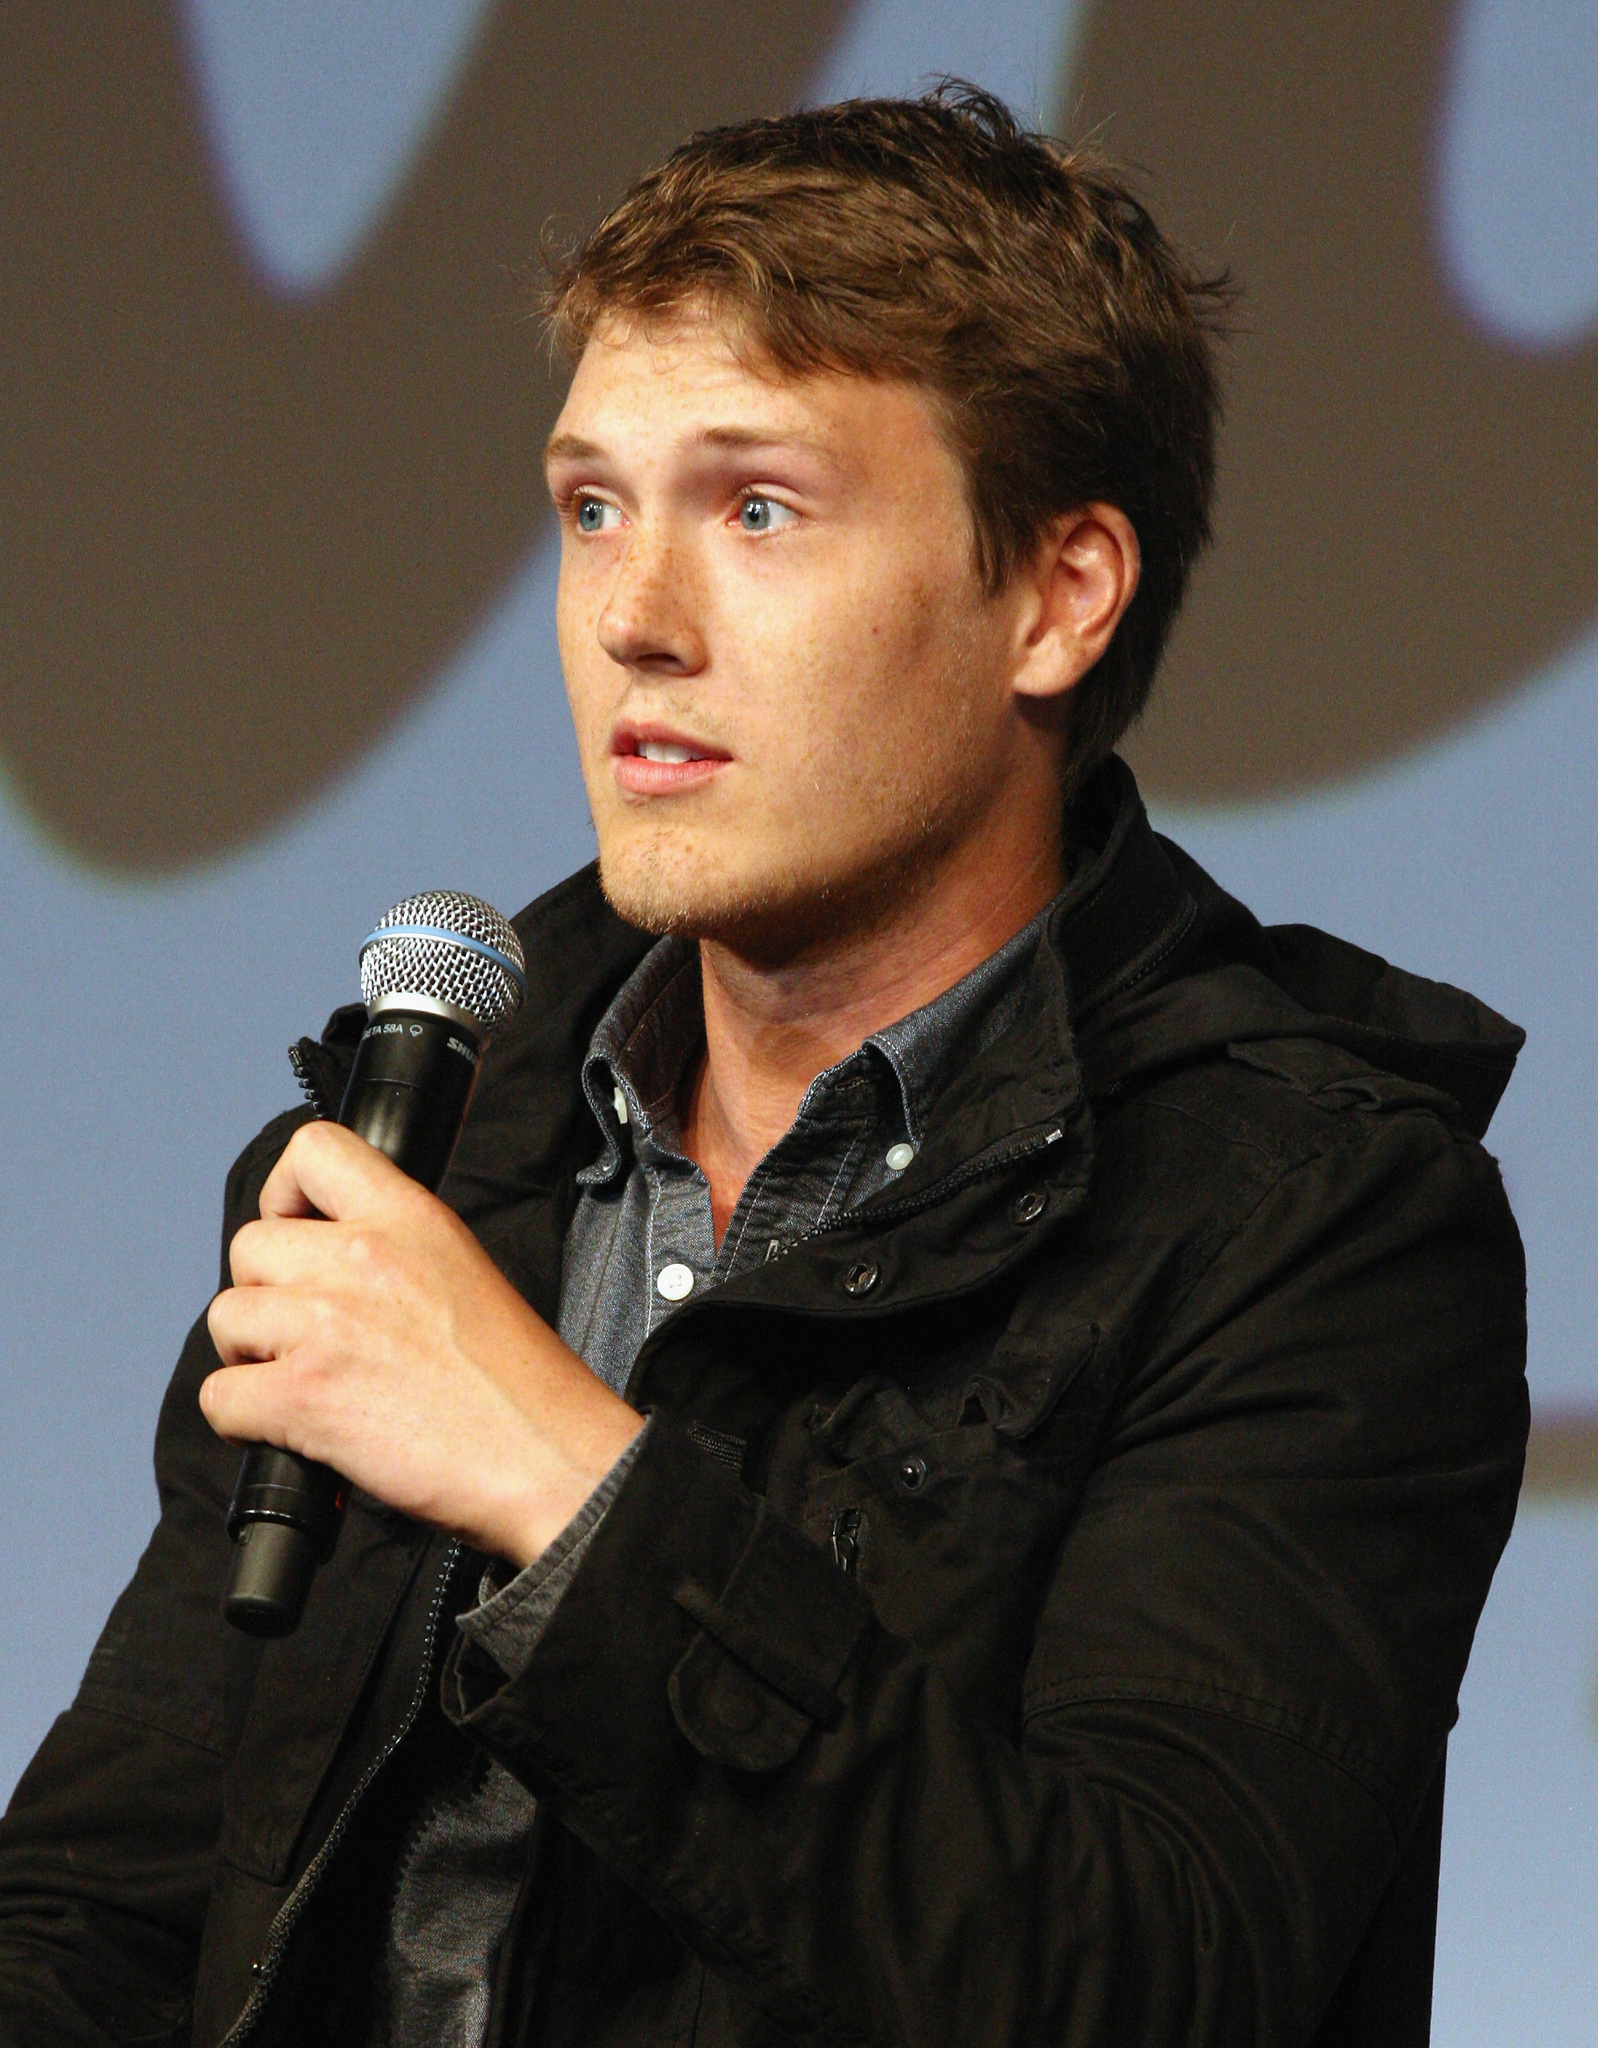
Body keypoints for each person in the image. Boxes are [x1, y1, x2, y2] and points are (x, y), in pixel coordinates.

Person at [0, 87, 1526, 2048]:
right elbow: (100, 1913)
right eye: (592, 506)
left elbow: (1145, 1981)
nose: (634, 619)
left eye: (759, 509)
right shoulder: (434, 1147)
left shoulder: (1316, 1219)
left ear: (1056, 597)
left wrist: (561, 1472)